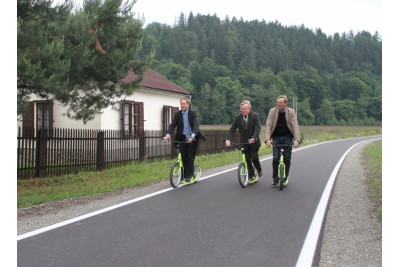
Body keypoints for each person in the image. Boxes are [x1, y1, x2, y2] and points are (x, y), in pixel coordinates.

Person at [163, 97, 205, 184]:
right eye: (181, 104)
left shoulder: (193, 113)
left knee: (190, 157)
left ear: (188, 104)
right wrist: (168, 134)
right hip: (182, 138)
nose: (182, 105)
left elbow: (196, 125)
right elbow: (173, 124)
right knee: (182, 157)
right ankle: (182, 176)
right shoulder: (177, 114)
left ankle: (189, 176)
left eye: (184, 104)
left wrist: (192, 136)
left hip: (192, 138)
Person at [265, 95, 300, 185]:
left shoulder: (291, 112)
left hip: (287, 137)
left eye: (281, 102)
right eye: (278, 102)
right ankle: (275, 178)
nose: (279, 104)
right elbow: (268, 125)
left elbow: (295, 125)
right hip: (276, 137)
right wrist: (267, 139)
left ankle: (285, 177)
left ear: (285, 103)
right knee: (276, 158)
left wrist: (297, 140)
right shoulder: (272, 111)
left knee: (287, 159)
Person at [225, 100, 262, 181]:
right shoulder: (238, 118)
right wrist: (228, 139)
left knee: (254, 157)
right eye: (242, 109)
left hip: (254, 142)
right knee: (247, 159)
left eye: (245, 108)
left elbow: (258, 128)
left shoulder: (255, 116)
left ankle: (259, 169)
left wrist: (254, 137)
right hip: (244, 142)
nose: (243, 110)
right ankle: (251, 175)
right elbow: (232, 129)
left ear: (249, 109)